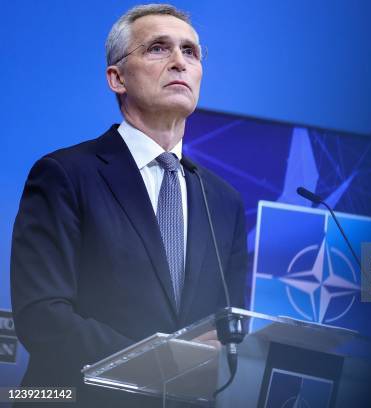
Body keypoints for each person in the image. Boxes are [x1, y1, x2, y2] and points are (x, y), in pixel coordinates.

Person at [10, 4, 247, 407]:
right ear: (116, 78)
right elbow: (42, 316)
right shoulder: (64, 174)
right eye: (158, 48)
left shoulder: (224, 201)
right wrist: (163, 363)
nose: (179, 62)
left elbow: (225, 333)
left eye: (190, 52)